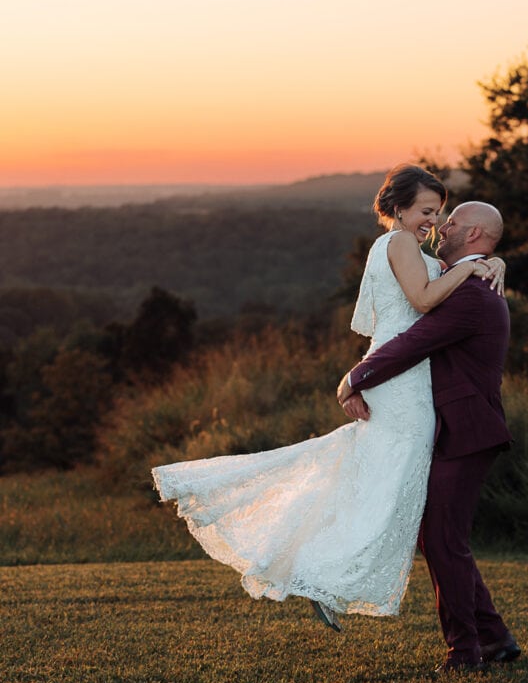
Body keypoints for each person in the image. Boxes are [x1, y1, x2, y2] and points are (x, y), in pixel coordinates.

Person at [152, 164, 504, 633]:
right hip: (400, 381)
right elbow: (423, 303)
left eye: (441, 215)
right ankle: (321, 575)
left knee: (376, 484)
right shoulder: (401, 243)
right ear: (399, 208)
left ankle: (319, 572)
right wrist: (357, 377)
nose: (436, 224)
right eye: (428, 211)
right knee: (390, 492)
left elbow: (444, 281)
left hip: (406, 380)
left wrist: (489, 262)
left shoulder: (417, 253)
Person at [337, 200, 520, 671]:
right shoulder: (465, 277)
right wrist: (490, 263)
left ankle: (465, 651)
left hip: (468, 429)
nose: (443, 224)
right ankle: (493, 637)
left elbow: (416, 341)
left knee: (441, 539)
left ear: (476, 235)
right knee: (440, 537)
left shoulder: (472, 294)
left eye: (454, 220)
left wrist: (356, 377)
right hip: (455, 427)